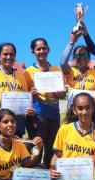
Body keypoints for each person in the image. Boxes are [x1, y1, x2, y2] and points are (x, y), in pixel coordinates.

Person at [24, 38, 66, 169]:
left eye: (44, 48)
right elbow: (24, 95)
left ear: (48, 50)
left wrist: (59, 93)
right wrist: (31, 93)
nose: (41, 51)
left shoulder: (57, 70)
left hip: (54, 113)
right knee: (37, 144)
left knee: (52, 146)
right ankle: (34, 171)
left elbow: (63, 94)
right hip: (38, 112)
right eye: (38, 49)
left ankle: (49, 174)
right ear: (33, 52)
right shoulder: (28, 72)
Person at [0, 43, 36, 137]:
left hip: (18, 121)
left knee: (17, 146)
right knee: (1, 147)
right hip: (0, 120)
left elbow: (25, 99)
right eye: (5, 54)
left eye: (12, 54)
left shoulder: (21, 76)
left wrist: (29, 108)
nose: (8, 57)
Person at [60, 30, 95, 127]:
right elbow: (62, 63)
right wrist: (71, 42)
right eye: (78, 55)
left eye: (85, 55)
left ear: (89, 58)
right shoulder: (70, 72)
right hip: (74, 112)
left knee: (94, 140)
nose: (81, 58)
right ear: (74, 58)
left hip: (94, 112)